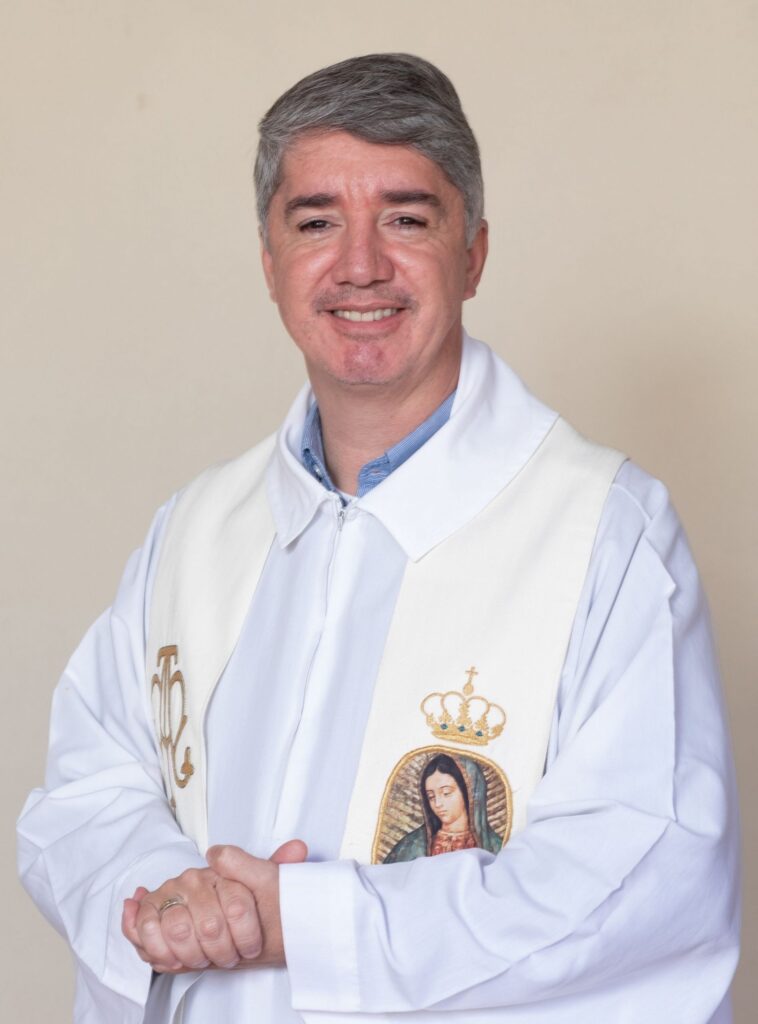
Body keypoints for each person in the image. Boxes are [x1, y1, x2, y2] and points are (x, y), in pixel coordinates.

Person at [17, 53, 740, 1024]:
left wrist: (309, 927)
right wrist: (173, 897)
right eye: (315, 222)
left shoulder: (604, 535)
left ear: (473, 253)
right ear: (269, 261)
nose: (359, 265)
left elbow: (645, 875)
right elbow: (87, 786)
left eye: (405, 218)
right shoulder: (193, 531)